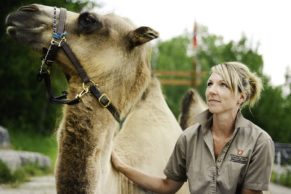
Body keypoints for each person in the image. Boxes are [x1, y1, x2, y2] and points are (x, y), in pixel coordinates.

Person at [111, 62, 274, 194]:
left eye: (223, 85)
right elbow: (166, 186)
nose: (212, 91)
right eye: (210, 84)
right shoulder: (188, 138)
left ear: (241, 97)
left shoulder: (259, 142)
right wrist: (122, 167)